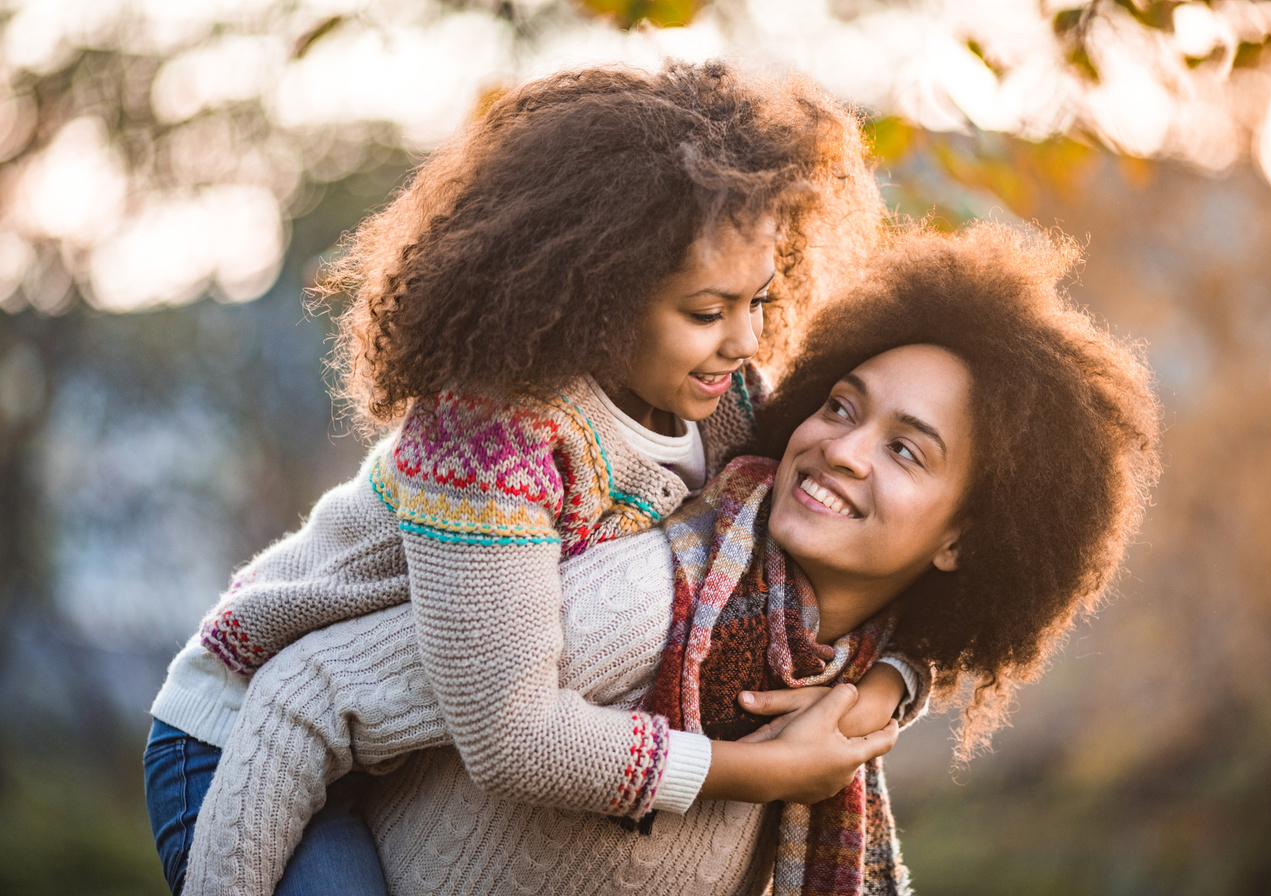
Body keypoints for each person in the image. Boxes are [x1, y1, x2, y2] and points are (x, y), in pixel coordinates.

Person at [181, 221, 1162, 896]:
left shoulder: (842, 664)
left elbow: (927, 642)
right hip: (243, 752)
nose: (842, 447)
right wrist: (760, 772)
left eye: (909, 448)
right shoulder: (648, 599)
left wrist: (895, 681)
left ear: (964, 541)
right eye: (842, 404)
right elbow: (304, 691)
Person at [145, 59, 898, 896]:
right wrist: (766, 771)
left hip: (392, 740)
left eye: (758, 300)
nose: (746, 339)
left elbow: (874, 556)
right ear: (602, 292)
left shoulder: (728, 406)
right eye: (705, 311)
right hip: (251, 734)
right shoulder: (491, 433)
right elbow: (514, 739)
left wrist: (896, 680)